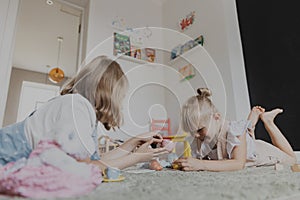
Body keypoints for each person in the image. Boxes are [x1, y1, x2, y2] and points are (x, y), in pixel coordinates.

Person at [0, 55, 169, 171]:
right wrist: (136, 158)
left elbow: (96, 162)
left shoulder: (82, 111)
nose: (121, 102)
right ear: (108, 91)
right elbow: (82, 169)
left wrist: (133, 143)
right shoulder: (75, 107)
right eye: (121, 96)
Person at [174, 88, 296, 171]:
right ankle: (250, 126)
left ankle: (268, 122)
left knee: (292, 159)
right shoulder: (201, 137)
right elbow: (205, 160)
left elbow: (238, 163)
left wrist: (201, 164)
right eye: (191, 131)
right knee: (244, 135)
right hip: (243, 143)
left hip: (260, 152)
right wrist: (187, 163)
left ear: (217, 117)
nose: (195, 135)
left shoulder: (233, 131)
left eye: (199, 129)